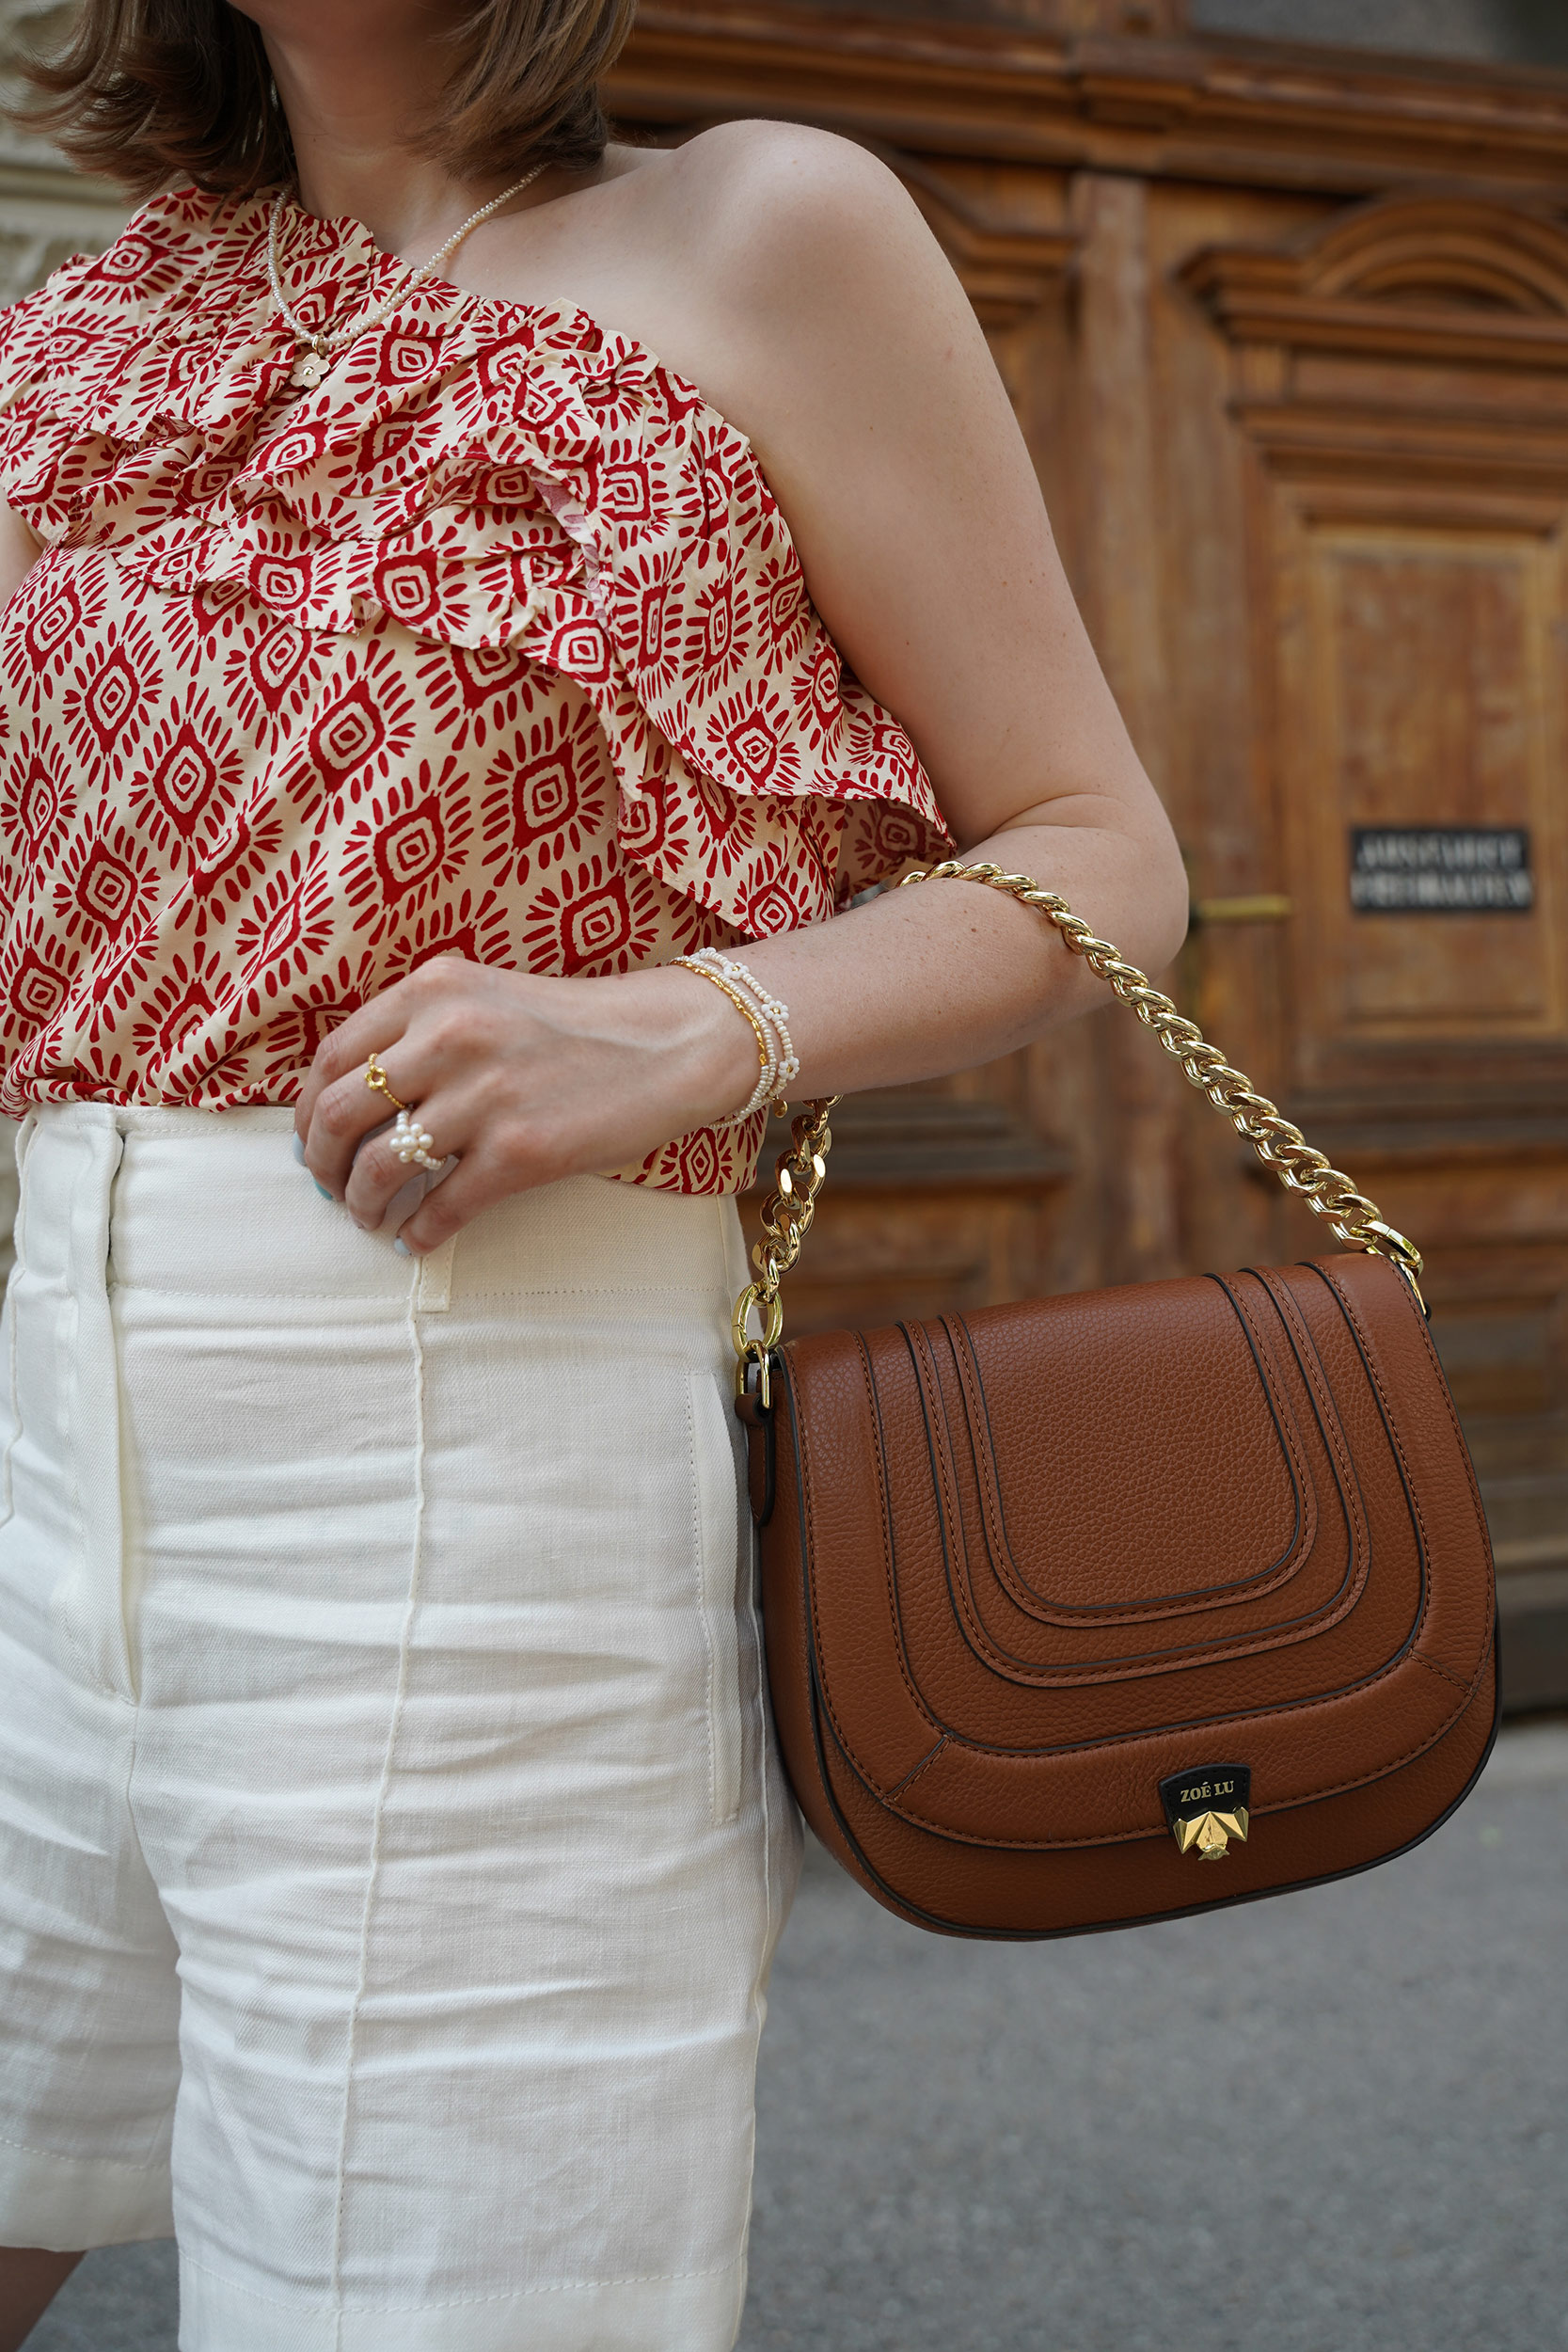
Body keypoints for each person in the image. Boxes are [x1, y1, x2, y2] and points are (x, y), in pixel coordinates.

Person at [0, 3, 1188, 2345]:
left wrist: (686, 1022)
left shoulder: (765, 231)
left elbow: (1099, 852)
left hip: (474, 1467)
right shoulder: (88, 328)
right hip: (46, 1451)